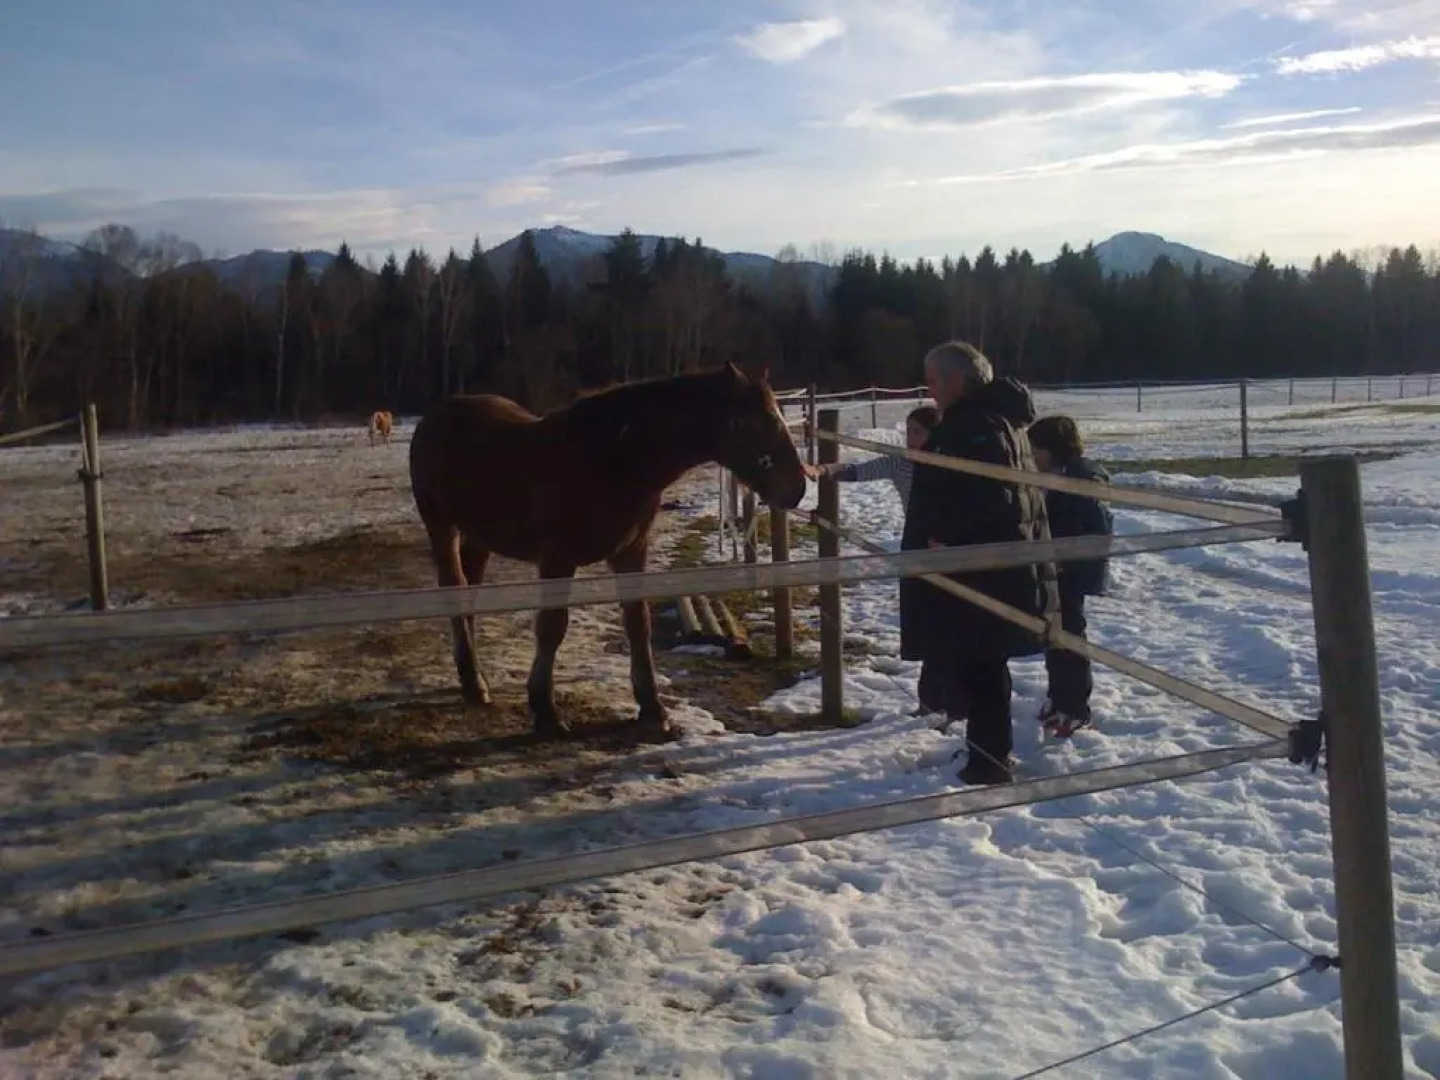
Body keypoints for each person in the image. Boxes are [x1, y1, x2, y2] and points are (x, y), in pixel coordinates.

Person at [900, 341, 1058, 786]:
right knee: (983, 666)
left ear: (955, 380)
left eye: (933, 380)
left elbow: (986, 498)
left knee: (981, 666)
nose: (930, 391)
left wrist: (947, 538)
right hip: (996, 569)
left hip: (982, 572)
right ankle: (987, 751)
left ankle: (988, 762)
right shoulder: (1000, 421)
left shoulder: (972, 428)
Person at [805, 406, 953, 716]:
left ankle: (953, 699)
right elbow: (862, 470)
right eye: (909, 431)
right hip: (916, 545)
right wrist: (825, 470)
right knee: (925, 623)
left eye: (918, 432)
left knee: (949, 623)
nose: (911, 439)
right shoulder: (901, 462)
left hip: (949, 547)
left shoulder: (950, 464)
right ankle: (931, 700)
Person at [1027, 414, 1114, 737]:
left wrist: (1066, 556)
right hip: (1052, 567)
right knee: (1054, 634)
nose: (1031, 455)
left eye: (1035, 448)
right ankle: (1058, 697)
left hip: (1070, 570)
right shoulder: (1049, 477)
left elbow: (1090, 525)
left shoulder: (1081, 479)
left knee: (1071, 635)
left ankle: (1075, 707)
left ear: (1053, 448)